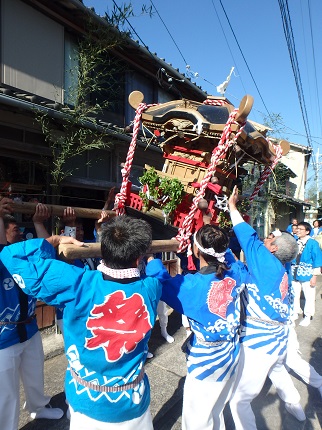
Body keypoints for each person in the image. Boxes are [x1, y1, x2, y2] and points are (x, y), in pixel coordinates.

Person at [1, 215, 162, 430]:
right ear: (138, 258)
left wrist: (54, 241)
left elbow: (10, 255)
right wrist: (151, 259)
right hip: (133, 404)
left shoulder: (77, 283)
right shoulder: (152, 288)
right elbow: (156, 271)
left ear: (102, 249)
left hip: (86, 404)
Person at [146, 223, 249, 430]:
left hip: (206, 362)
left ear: (195, 250)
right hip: (232, 353)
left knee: (196, 421)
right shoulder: (236, 273)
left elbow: (160, 280)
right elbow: (231, 258)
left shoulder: (191, 286)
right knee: (217, 409)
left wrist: (150, 258)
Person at [227, 186, 300, 429]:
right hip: (279, 338)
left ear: (274, 249)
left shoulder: (266, 261)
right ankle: (297, 408)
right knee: (278, 372)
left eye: (270, 238)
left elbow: (247, 237)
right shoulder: (282, 270)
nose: (265, 238)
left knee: (239, 400)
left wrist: (232, 207)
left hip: (260, 342)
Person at [0, 198, 63, 430]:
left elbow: (46, 254)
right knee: (6, 392)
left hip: (29, 327)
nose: (19, 232)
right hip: (3, 336)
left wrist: (38, 221)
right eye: (14, 229)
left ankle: (38, 407)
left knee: (35, 373)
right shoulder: (2, 257)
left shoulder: (24, 255)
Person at [292, 221, 322, 326]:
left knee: (309, 295)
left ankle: (308, 315)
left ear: (307, 231)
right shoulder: (295, 241)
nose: (297, 231)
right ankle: (295, 312)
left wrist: (314, 276)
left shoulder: (313, 243)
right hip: (294, 272)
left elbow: (317, 260)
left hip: (307, 273)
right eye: (297, 228)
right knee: (294, 294)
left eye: (300, 229)